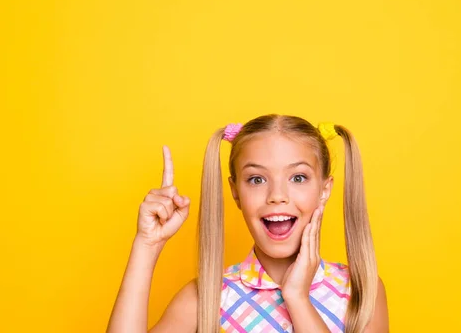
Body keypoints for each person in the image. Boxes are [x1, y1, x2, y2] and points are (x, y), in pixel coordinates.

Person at [107, 114, 389, 333]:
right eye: (257, 179)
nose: (277, 196)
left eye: (298, 178)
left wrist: (297, 298)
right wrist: (147, 244)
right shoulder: (204, 298)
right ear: (235, 192)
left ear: (324, 189)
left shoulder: (360, 290)